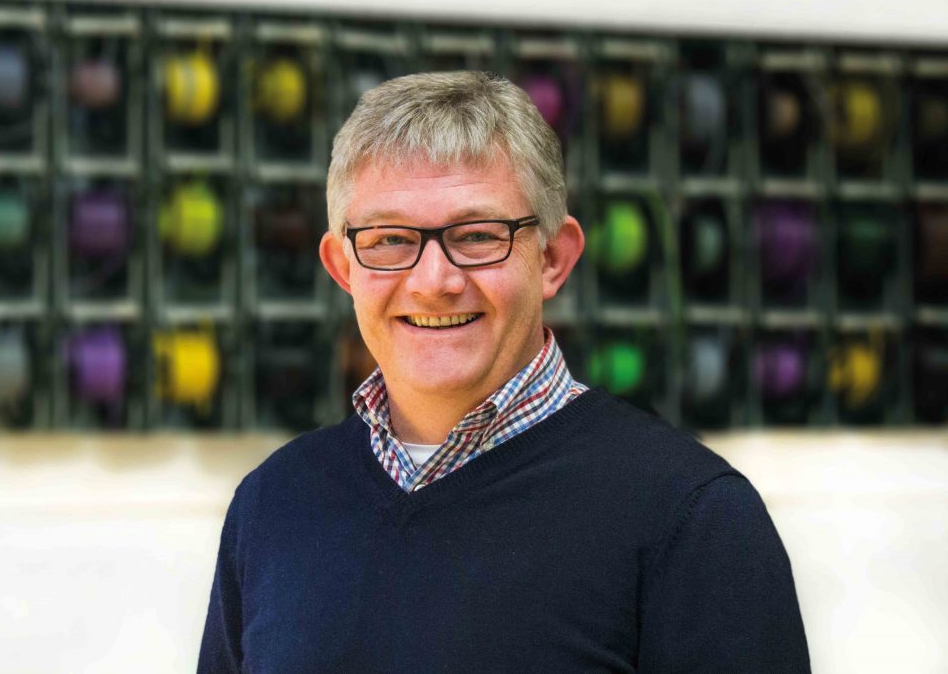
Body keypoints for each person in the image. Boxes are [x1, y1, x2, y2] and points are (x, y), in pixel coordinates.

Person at [198, 71, 810, 673]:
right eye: (388, 240)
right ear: (342, 268)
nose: (434, 281)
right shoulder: (271, 505)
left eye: (477, 236)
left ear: (553, 258)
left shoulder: (692, 518)